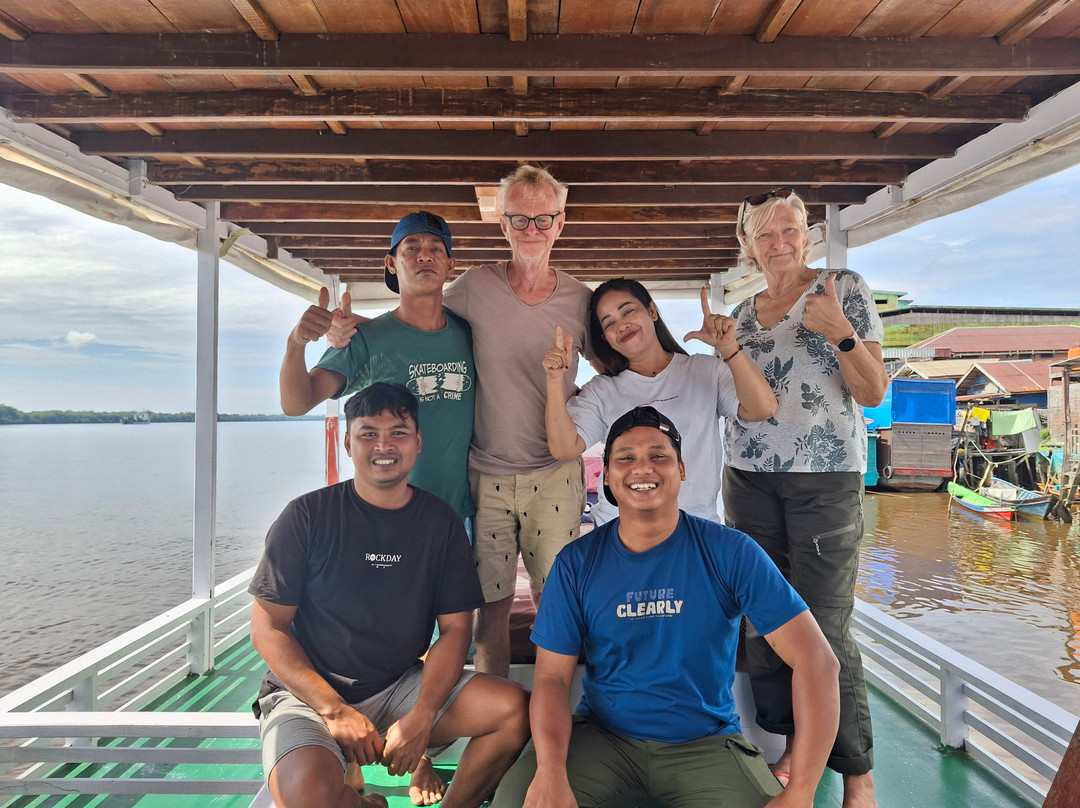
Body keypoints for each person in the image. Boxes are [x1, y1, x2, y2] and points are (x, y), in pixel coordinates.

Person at [490, 405, 841, 808]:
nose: (643, 468)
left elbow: (818, 661)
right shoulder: (576, 562)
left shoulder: (731, 551)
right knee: (518, 802)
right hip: (603, 738)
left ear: (682, 470)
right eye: (625, 458)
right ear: (607, 475)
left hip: (704, 743)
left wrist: (801, 790)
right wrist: (551, 770)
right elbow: (552, 679)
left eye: (659, 455)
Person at [328, 166, 591, 677]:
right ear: (503, 224)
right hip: (486, 476)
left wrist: (587, 415)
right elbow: (417, 313)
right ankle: (495, 715)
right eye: (519, 219)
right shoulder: (474, 287)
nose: (531, 230)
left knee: (559, 602)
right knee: (488, 607)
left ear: (561, 223)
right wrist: (355, 327)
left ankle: (562, 714)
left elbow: (620, 370)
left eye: (544, 219)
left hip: (555, 472)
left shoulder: (581, 299)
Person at [249, 383, 530, 808]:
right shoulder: (306, 517)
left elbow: (455, 631)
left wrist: (422, 716)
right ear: (348, 443)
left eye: (398, 432)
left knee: (513, 711)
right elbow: (268, 628)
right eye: (368, 433)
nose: (384, 445)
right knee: (305, 802)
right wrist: (334, 709)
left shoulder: (440, 522)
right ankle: (366, 802)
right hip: (310, 694)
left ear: (418, 443)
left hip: (399, 684)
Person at [724, 188, 889, 808]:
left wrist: (842, 335)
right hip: (748, 475)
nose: (779, 243)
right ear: (748, 246)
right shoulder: (741, 315)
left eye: (790, 230)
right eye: (765, 235)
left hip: (824, 475)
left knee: (824, 622)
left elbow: (873, 393)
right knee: (765, 619)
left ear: (808, 236)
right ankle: (794, 744)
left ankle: (856, 772)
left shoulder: (841, 288)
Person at [279, 211, 475, 528]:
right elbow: (296, 403)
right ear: (391, 263)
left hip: (460, 514)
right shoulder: (368, 339)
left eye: (436, 248)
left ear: (450, 265)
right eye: (411, 247)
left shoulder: (469, 333)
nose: (425, 255)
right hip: (391, 516)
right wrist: (296, 342)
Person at [542, 277, 777, 525]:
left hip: (694, 528)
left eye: (628, 311)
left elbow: (763, 409)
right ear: (605, 337)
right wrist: (555, 380)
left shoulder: (705, 370)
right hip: (619, 531)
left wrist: (729, 348)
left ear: (652, 311)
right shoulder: (601, 390)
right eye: (609, 323)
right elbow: (564, 449)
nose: (621, 325)